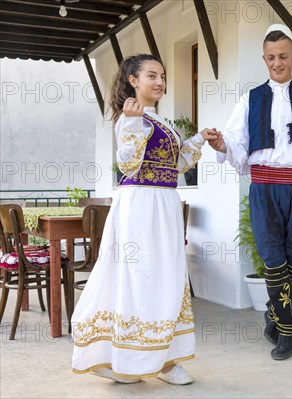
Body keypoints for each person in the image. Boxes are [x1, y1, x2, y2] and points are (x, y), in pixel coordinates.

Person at [204, 24, 292, 360]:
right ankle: (287, 331)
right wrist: (220, 143)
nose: (277, 63)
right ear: (264, 59)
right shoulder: (249, 99)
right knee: (272, 257)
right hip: (264, 188)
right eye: (271, 58)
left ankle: (274, 312)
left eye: (283, 57)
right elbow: (235, 143)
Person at [71, 54, 215, 384]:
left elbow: (175, 165)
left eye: (163, 76)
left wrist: (198, 139)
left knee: (167, 275)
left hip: (164, 203)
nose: (160, 82)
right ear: (133, 80)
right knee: (140, 276)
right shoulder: (130, 117)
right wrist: (132, 123)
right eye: (152, 76)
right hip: (140, 204)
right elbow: (127, 164)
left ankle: (164, 359)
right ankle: (128, 358)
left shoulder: (160, 121)